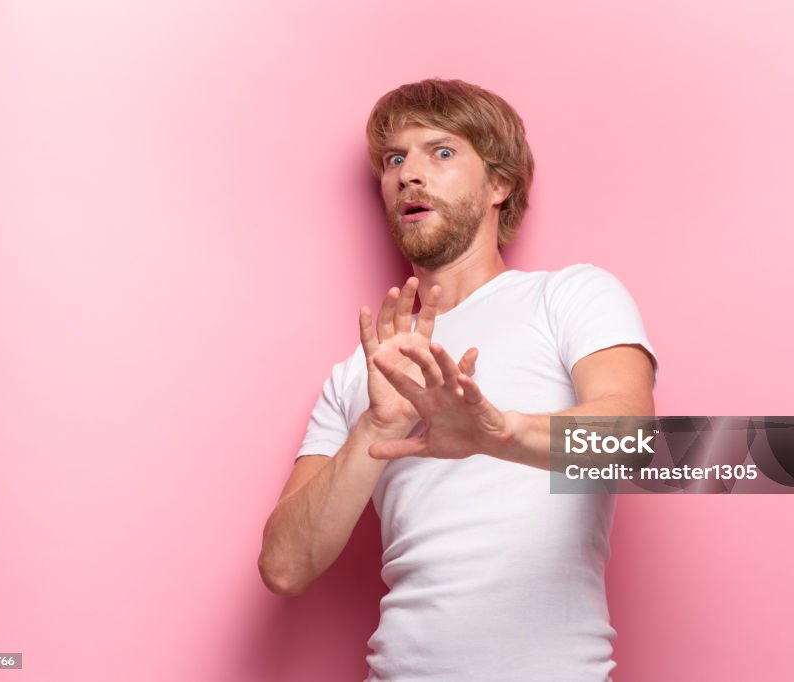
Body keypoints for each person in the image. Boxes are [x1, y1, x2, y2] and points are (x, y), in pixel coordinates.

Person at [258, 78, 658, 681]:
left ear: (500, 184)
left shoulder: (569, 296)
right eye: (395, 159)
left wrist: (495, 432)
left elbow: (634, 444)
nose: (409, 175)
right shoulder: (360, 373)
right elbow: (284, 568)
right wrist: (378, 424)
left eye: (440, 152)